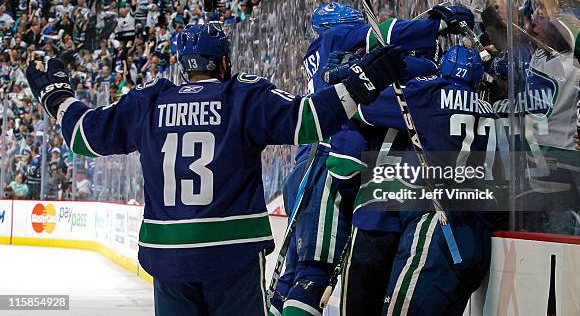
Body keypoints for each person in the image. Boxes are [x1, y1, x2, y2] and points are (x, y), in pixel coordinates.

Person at [25, 22, 408, 316]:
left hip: (169, 254)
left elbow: (83, 135)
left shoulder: (149, 103)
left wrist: (56, 95)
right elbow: (308, 120)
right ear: (224, 61)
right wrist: (365, 82)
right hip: (232, 254)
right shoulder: (242, 96)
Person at [343, 45, 496, 315]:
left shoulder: (432, 94)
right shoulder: (493, 112)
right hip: (479, 231)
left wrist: (353, 74)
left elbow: (361, 107)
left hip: (439, 221)